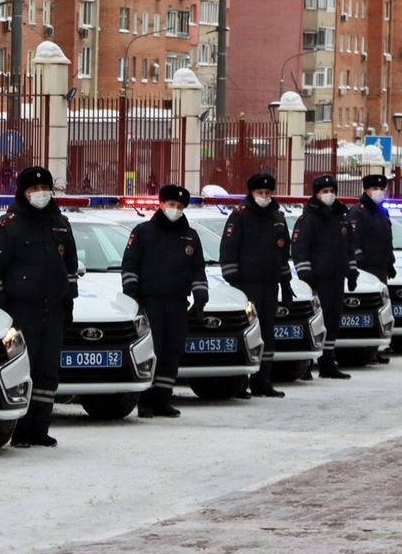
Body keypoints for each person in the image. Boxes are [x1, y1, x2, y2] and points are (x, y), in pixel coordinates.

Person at [0, 166, 78, 447]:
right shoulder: (8, 226)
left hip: (54, 310)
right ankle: (20, 430)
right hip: (21, 311)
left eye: (44, 188)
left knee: (48, 372)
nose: (40, 194)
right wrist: (2, 313)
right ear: (23, 193)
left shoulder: (60, 223)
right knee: (24, 370)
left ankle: (40, 428)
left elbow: (70, 267)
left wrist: (68, 301)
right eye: (34, 190)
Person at [121, 185, 208, 417]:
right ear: (161, 204)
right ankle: (146, 401)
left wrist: (200, 296)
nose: (175, 210)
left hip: (178, 302)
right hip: (150, 302)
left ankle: (163, 400)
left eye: (179, 207)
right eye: (171, 205)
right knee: (154, 350)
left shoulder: (190, 236)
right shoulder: (143, 232)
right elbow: (130, 264)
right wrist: (132, 294)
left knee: (172, 350)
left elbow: (198, 269)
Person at [220, 172, 295, 397]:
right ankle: (241, 383)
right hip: (247, 284)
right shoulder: (240, 216)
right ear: (252, 193)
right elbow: (228, 250)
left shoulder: (277, 217)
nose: (264, 196)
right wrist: (235, 282)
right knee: (247, 332)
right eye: (260, 193)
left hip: (270, 284)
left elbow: (283, 252)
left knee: (268, 333)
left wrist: (286, 282)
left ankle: (263, 380)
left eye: (267, 193)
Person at [292, 174, 357, 378]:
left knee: (333, 320)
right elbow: (300, 248)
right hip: (317, 278)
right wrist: (306, 274)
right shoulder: (309, 219)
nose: (329, 195)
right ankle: (306, 364)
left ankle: (328, 362)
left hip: (336, 276)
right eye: (324, 192)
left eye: (332, 192)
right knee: (314, 321)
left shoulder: (340, 217)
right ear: (317, 194)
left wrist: (351, 271)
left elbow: (348, 247)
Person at [350, 174, 396, 363]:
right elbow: (354, 239)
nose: (378, 192)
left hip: (380, 268)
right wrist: (360, 260)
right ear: (366, 190)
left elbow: (387, 239)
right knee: (366, 310)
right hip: (366, 268)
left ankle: (377, 348)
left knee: (381, 310)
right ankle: (364, 348)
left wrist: (390, 261)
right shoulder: (358, 212)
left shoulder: (382, 212)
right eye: (374, 188)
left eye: (381, 188)